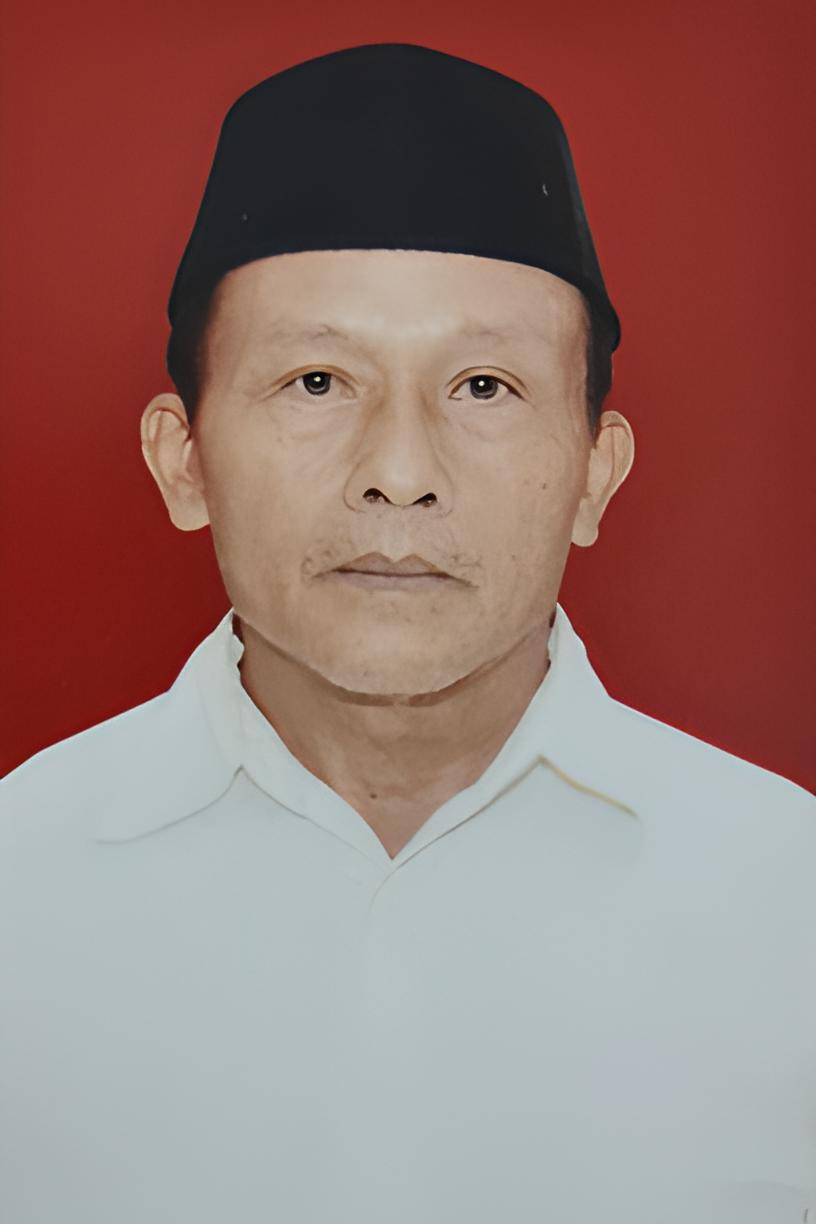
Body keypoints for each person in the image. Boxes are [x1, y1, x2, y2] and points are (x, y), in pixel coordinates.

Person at [1, 42, 813, 1224]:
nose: (398, 470)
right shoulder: (18, 887)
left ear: (595, 473)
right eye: (316, 382)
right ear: (184, 461)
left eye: (484, 386)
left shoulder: (787, 900)